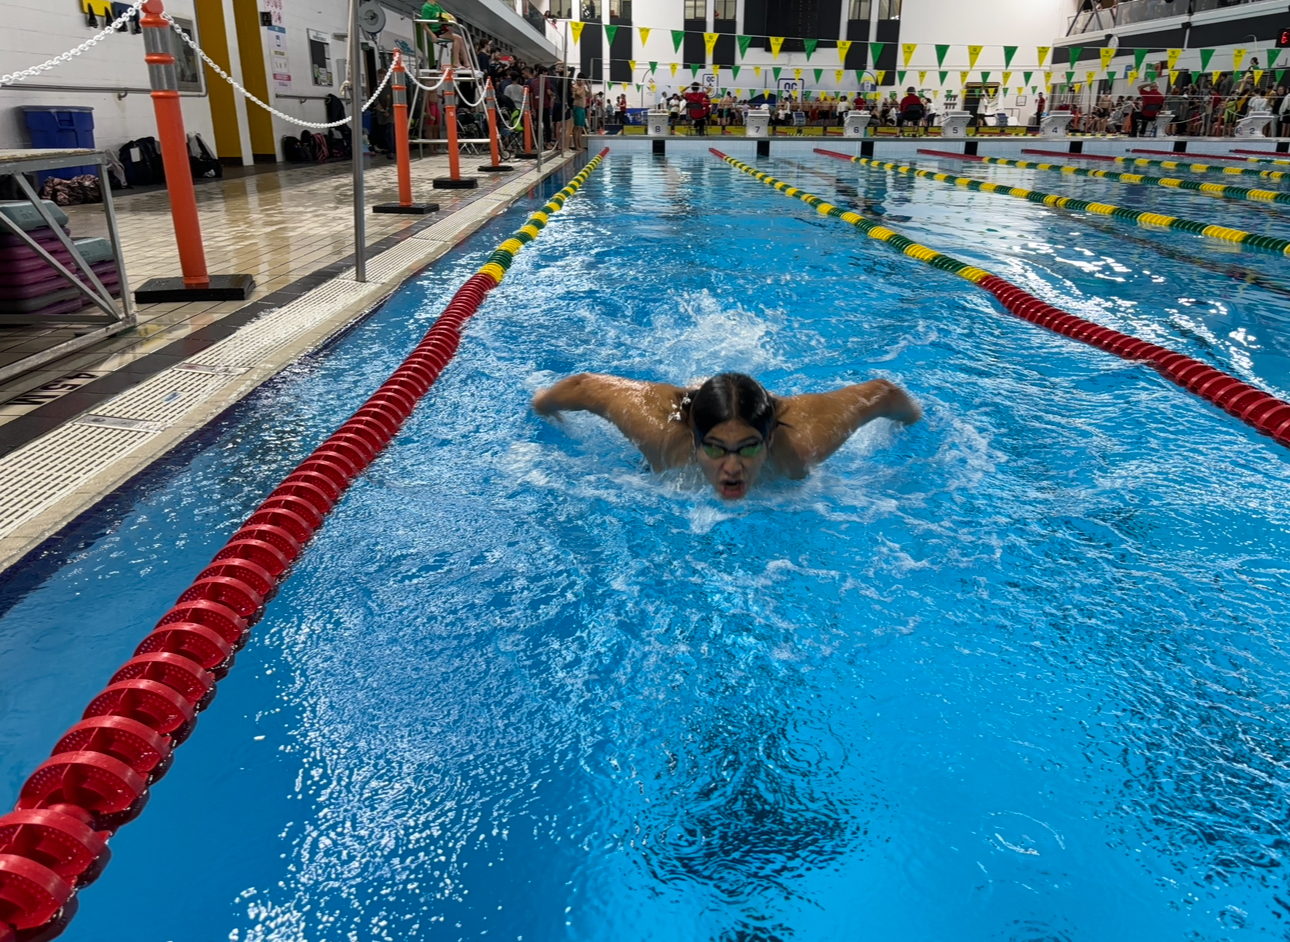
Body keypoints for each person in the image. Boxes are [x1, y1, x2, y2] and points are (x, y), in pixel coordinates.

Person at [531, 372, 921, 500]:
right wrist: (544, 408)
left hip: (771, 410)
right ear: (696, 442)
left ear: (768, 442)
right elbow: (582, 387)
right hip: (685, 406)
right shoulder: (663, 437)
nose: (731, 469)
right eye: (715, 450)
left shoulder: (800, 446)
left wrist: (914, 425)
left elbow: (884, 394)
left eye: (748, 448)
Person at [419, 0, 469, 70]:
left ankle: (466, 63)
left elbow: (446, 13)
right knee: (457, 38)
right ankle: (456, 62)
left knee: (460, 38)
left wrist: (452, 18)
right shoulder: (426, 8)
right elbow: (423, 24)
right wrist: (432, 35)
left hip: (441, 30)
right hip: (435, 32)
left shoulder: (437, 6)